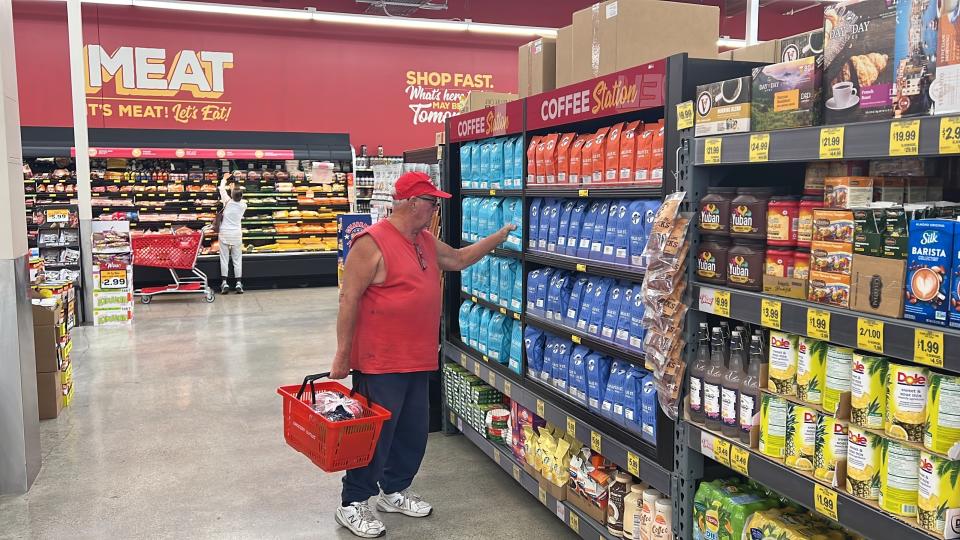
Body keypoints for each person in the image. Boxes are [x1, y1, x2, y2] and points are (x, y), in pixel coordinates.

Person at [330, 171, 515, 538]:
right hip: (380, 361)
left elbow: (459, 260)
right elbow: (348, 299)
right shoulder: (371, 243)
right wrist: (342, 355)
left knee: (412, 432)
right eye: (432, 203)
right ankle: (353, 502)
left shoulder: (425, 240)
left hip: (419, 357)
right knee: (375, 433)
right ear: (412, 203)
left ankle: (394, 489)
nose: (435, 209)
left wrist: (500, 236)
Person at [217, 172, 247, 294]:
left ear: (231, 195)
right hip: (236, 234)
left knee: (224, 258)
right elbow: (238, 197)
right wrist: (234, 189)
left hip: (224, 234)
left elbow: (221, 189)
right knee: (237, 259)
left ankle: (224, 283)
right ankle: (238, 283)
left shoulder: (227, 202)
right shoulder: (244, 205)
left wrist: (224, 179)